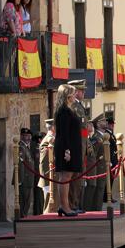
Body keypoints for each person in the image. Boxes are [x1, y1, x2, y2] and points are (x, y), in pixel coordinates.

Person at [54, 84, 82, 217]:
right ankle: (64, 206)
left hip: (70, 147)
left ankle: (66, 205)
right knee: (65, 176)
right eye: (73, 93)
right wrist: (67, 151)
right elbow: (64, 133)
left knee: (67, 176)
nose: (75, 95)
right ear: (67, 95)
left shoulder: (68, 109)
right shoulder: (64, 111)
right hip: (66, 147)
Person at [68, 80, 88, 213]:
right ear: (75, 92)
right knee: (75, 177)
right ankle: (72, 204)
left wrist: (87, 144)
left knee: (79, 177)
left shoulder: (79, 106)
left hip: (82, 143)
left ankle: (76, 203)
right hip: (76, 144)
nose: (83, 93)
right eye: (81, 91)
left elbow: (84, 128)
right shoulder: (73, 107)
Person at [38, 119, 59, 214]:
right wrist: (46, 179)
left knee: (54, 202)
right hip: (49, 177)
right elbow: (44, 162)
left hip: (53, 176)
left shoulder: (51, 139)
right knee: (49, 204)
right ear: (53, 127)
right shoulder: (48, 140)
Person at [17, 127, 34, 217]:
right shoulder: (21, 147)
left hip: (28, 178)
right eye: (25, 136)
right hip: (24, 179)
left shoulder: (26, 148)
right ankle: (22, 217)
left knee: (28, 200)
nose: (27, 138)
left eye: (28, 136)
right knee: (23, 200)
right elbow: (20, 164)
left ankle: (24, 216)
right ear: (21, 136)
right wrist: (20, 179)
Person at [105, 116, 118, 203]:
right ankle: (107, 196)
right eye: (111, 124)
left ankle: (109, 195)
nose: (112, 126)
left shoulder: (111, 134)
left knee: (111, 179)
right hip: (110, 160)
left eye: (112, 124)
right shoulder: (107, 134)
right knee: (109, 179)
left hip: (114, 159)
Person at [31, 131, 44, 215]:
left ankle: (40, 211)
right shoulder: (36, 149)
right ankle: (38, 212)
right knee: (38, 195)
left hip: (41, 174)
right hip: (37, 174)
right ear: (39, 140)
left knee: (41, 195)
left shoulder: (40, 148)